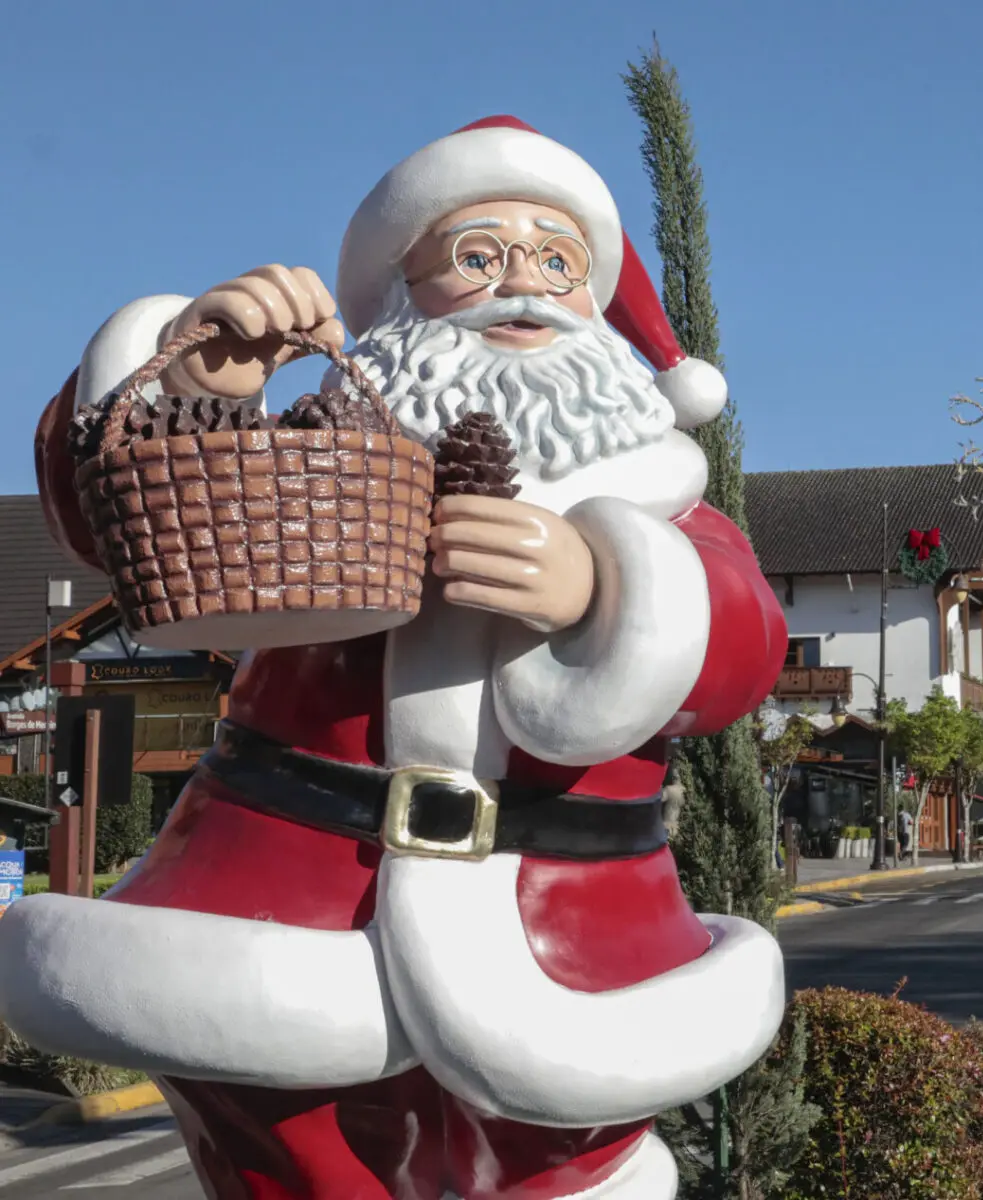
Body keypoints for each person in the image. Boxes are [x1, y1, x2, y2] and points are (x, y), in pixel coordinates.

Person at [1, 117, 787, 1200]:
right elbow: (125, 533)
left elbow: (741, 643)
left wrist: (605, 580)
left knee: (563, 1171)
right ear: (402, 291)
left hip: (574, 925)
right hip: (283, 908)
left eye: (558, 261)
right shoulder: (317, 460)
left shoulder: (664, 498)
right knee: (285, 1153)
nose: (525, 285)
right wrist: (208, 381)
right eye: (478, 255)